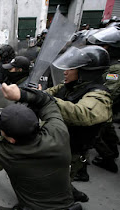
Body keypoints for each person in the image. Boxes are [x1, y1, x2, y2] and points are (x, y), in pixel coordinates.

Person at [46, 45, 112, 201]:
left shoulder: (99, 95)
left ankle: (65, 205)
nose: (65, 71)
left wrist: (44, 100)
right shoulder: (69, 86)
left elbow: (82, 114)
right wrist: (30, 94)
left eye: (71, 68)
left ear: (85, 72)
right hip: (60, 142)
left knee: (58, 180)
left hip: (74, 148)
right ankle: (69, 190)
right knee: (59, 175)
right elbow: (48, 93)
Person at [87, 26, 120, 172]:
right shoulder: (110, 64)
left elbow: (110, 89)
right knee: (107, 128)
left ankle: (108, 159)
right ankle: (113, 151)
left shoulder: (115, 69)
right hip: (108, 106)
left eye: (104, 46)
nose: (100, 48)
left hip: (104, 104)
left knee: (94, 134)